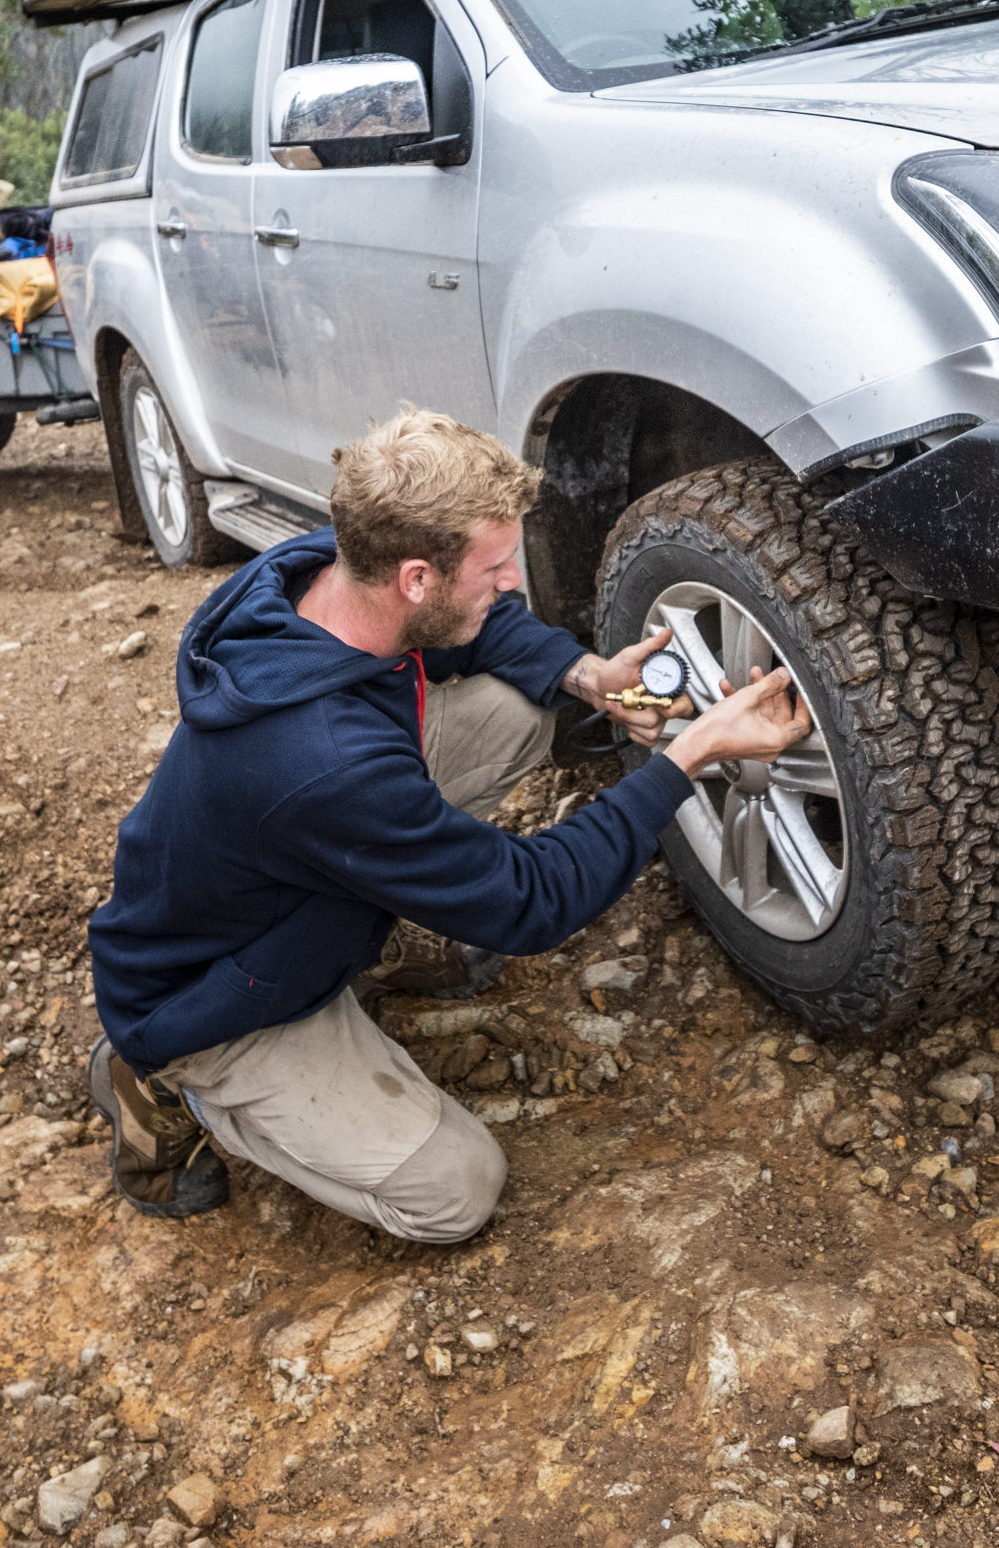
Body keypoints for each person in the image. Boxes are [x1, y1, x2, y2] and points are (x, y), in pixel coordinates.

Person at [83, 407, 810, 1242]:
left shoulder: (315, 571)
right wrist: (689, 758)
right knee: (456, 1191)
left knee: (515, 709)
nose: (512, 582)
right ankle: (164, 1088)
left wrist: (587, 675)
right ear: (418, 577)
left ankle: (362, 929)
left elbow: (479, 633)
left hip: (285, 870)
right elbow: (531, 901)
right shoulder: (326, 765)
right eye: (496, 566)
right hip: (210, 1000)